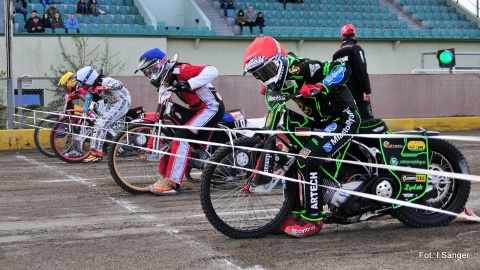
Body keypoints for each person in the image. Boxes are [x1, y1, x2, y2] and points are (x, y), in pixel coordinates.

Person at [243, 36, 360, 238]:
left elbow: (343, 69)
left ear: (279, 61)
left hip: (344, 117)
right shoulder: (277, 81)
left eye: (267, 70)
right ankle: (294, 214)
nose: (265, 77)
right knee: (292, 155)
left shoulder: (302, 68)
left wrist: (321, 86)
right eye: (259, 74)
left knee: (307, 158)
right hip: (321, 122)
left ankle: (313, 219)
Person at [134, 48, 225, 195]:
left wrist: (188, 84)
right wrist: (149, 150)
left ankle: (173, 183)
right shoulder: (165, 81)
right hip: (196, 109)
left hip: (211, 107)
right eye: (147, 72)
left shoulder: (180, 70)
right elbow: (160, 111)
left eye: (153, 69)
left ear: (162, 63)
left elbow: (212, 70)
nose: (151, 75)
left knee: (182, 135)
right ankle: (164, 177)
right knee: (168, 130)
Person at [76, 66, 131, 163]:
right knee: (98, 124)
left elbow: (119, 85)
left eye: (83, 82)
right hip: (114, 104)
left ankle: (98, 154)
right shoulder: (94, 85)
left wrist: (104, 87)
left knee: (102, 124)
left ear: (88, 79)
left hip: (122, 102)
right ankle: (93, 152)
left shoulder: (105, 81)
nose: (82, 84)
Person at [332, 24, 374, 121]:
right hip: (358, 93)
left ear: (342, 36)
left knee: (348, 120)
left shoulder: (336, 54)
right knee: (367, 119)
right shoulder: (356, 49)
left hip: (343, 94)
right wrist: (366, 91)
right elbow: (362, 71)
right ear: (354, 35)